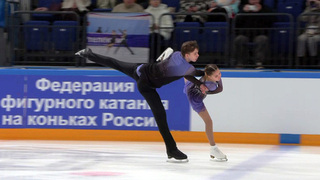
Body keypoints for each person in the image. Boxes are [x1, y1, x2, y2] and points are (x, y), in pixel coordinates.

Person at [75, 41, 209, 162]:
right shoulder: (184, 67)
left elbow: (187, 72)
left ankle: (88, 54)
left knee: (115, 63)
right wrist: (207, 74)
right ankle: (172, 150)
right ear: (187, 55)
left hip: (140, 69)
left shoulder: (177, 55)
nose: (198, 55)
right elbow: (193, 72)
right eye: (195, 53)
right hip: (146, 86)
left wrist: (199, 82)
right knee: (161, 117)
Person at [183, 64, 227, 161]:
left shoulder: (210, 77)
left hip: (191, 86)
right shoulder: (210, 85)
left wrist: (207, 92)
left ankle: (171, 61)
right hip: (195, 99)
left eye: (219, 73)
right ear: (208, 76)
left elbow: (220, 89)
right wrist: (202, 86)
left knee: (185, 70)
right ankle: (213, 148)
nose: (219, 76)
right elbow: (219, 88)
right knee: (209, 122)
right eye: (216, 76)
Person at [232, 0, 275, 68]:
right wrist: (243, 12)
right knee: (239, 39)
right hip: (245, 33)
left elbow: (272, 20)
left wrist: (261, 11)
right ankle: (241, 63)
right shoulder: (242, 8)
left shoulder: (265, 8)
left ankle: (259, 62)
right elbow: (236, 22)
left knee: (262, 39)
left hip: (259, 33)